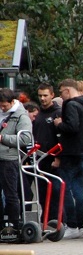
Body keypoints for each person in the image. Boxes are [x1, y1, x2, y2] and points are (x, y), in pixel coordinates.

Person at [53, 79, 83, 240]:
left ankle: (72, 224)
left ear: (67, 90)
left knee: (65, 188)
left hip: (71, 153)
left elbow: (72, 127)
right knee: (80, 190)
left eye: (61, 92)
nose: (61, 96)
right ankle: (79, 224)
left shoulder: (71, 105)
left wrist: (59, 124)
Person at [0, 89, 32, 236]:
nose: (2, 108)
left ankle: (14, 224)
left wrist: (3, 139)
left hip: (9, 159)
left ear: (12, 102)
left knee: (11, 193)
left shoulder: (21, 115)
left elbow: (25, 139)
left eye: (4, 106)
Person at [33, 83, 62, 219]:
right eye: (40, 96)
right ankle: (45, 219)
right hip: (39, 159)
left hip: (53, 159)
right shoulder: (38, 114)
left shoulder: (58, 113)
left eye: (45, 95)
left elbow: (62, 138)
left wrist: (58, 158)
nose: (43, 98)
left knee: (56, 192)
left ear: (52, 95)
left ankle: (57, 221)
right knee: (42, 193)